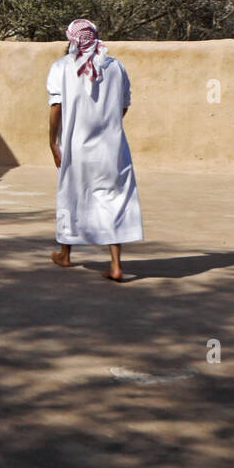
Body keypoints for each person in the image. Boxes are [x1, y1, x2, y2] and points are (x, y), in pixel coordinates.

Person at [47, 19, 143, 281]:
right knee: (113, 199)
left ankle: (65, 255)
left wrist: (53, 142)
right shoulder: (116, 67)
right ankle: (115, 265)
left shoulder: (61, 67)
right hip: (112, 147)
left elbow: (57, 107)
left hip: (76, 146)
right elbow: (124, 106)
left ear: (72, 39)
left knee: (71, 195)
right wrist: (108, 124)